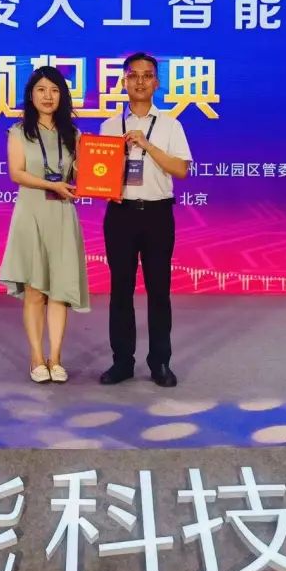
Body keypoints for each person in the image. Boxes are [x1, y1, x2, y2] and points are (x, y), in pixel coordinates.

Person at [98, 52, 192, 388]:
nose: (140, 81)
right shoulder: (109, 126)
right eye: (133, 75)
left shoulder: (170, 125)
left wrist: (146, 144)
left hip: (157, 214)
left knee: (159, 291)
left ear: (156, 82)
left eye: (147, 75)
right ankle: (122, 362)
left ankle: (160, 362)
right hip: (120, 215)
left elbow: (181, 169)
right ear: (124, 81)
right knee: (120, 291)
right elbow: (100, 173)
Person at [0, 66, 89, 384]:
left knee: (60, 291)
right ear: (31, 95)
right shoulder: (18, 132)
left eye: (54, 90)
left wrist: (90, 170)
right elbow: (17, 173)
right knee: (36, 291)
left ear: (62, 96)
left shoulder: (73, 134)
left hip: (62, 215)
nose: (48, 96)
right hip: (32, 214)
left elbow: (79, 176)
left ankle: (56, 358)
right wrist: (52, 185)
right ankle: (37, 357)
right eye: (41, 90)